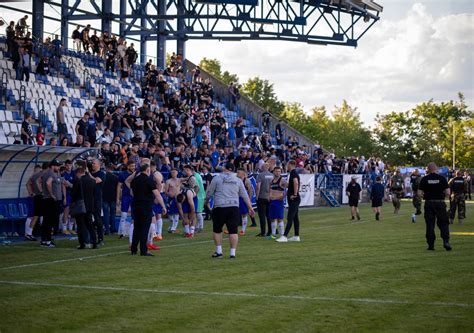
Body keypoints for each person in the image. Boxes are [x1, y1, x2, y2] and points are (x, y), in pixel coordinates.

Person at [205, 162, 254, 259]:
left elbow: (210, 191)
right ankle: (232, 253)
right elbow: (244, 195)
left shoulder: (217, 178)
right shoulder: (238, 180)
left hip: (220, 206)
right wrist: (250, 208)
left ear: (225, 169)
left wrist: (206, 201)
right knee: (233, 231)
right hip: (233, 206)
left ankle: (219, 252)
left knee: (217, 230)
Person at [130, 163, 162, 256]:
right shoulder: (149, 180)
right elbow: (157, 194)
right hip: (146, 206)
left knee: (137, 228)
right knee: (144, 229)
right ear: (147, 170)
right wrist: (163, 206)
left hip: (136, 206)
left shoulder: (134, 180)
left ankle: (133, 249)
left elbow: (131, 193)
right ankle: (143, 250)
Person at [418, 162, 451, 251]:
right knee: (444, 223)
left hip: (429, 203)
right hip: (440, 203)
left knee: (430, 224)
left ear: (428, 169)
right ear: (436, 169)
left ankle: (431, 245)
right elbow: (448, 193)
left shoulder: (424, 179)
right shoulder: (442, 178)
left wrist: (425, 194)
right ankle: (446, 242)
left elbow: (419, 193)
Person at [71, 167, 97, 249]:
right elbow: (94, 193)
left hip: (80, 206)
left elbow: (73, 194)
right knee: (90, 225)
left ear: (78, 172)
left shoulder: (78, 181)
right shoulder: (92, 181)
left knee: (81, 225)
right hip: (89, 206)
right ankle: (94, 242)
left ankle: (83, 243)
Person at [40, 159, 64, 247]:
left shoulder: (46, 173)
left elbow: (40, 181)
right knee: (49, 221)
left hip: (47, 199)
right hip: (51, 200)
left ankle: (44, 240)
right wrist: (52, 195)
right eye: (57, 166)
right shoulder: (51, 174)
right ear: (53, 166)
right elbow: (48, 183)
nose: (58, 167)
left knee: (46, 221)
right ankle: (48, 241)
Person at [276, 160, 301, 242]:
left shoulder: (293, 173)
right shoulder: (293, 173)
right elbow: (291, 185)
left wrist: (294, 194)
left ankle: (284, 236)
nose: (287, 166)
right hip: (294, 199)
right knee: (295, 218)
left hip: (294, 199)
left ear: (291, 164)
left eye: (288, 164)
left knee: (290, 217)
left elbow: (296, 183)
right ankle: (296, 236)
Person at [117, 161, 136, 238]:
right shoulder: (122, 174)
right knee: (124, 214)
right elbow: (119, 186)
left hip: (134, 196)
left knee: (134, 215)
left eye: (134, 166)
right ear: (128, 166)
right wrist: (117, 198)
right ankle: (122, 232)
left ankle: (133, 231)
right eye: (132, 166)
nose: (133, 168)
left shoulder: (136, 174)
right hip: (125, 196)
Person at [25, 164, 43, 241]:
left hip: (39, 198)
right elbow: (27, 184)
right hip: (34, 198)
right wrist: (31, 193)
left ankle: (42, 232)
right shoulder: (33, 177)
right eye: (37, 170)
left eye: (39, 170)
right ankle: (28, 233)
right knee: (33, 215)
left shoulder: (39, 176)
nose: (38, 172)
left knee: (39, 215)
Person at [268, 166, 287, 240]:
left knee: (280, 218)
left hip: (279, 201)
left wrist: (283, 196)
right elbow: (270, 189)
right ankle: (273, 235)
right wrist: (269, 196)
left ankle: (282, 235)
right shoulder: (272, 180)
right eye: (276, 171)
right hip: (272, 202)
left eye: (279, 171)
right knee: (272, 218)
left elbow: (289, 187)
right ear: (273, 172)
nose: (278, 172)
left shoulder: (282, 180)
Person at [89, 158, 105, 246]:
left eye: (94, 163)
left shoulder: (101, 173)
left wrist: (88, 174)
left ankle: (100, 238)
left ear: (98, 164)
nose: (92, 165)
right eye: (92, 163)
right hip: (89, 199)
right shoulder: (90, 173)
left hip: (97, 199)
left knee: (98, 219)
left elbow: (96, 180)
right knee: (89, 220)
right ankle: (92, 238)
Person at [255, 163, 272, 237]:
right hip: (270, 197)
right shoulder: (272, 175)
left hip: (262, 197)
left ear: (262, 167)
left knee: (262, 216)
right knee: (269, 215)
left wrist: (257, 197)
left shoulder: (260, 175)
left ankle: (263, 232)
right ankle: (270, 231)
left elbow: (258, 187)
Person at [102, 163, 119, 234]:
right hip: (113, 197)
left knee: (106, 214)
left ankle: (107, 230)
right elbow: (117, 188)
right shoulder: (115, 177)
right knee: (113, 214)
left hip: (105, 197)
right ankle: (113, 228)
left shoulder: (104, 176)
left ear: (106, 168)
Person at [236, 168, 253, 236]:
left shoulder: (246, 181)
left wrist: (249, 200)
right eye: (237, 172)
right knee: (235, 214)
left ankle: (243, 230)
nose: (237, 174)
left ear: (243, 173)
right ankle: (233, 228)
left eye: (238, 172)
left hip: (243, 199)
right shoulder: (236, 180)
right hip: (236, 198)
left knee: (244, 214)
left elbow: (250, 191)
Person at [165, 168, 181, 233]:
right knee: (170, 214)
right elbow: (165, 191)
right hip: (170, 199)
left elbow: (187, 179)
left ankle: (173, 228)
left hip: (177, 199)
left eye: (174, 172)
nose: (173, 173)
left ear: (177, 173)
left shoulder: (179, 180)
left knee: (176, 213)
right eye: (172, 172)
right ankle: (171, 226)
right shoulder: (168, 181)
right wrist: (169, 194)